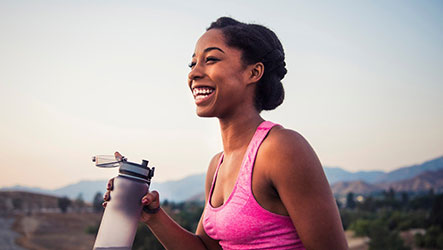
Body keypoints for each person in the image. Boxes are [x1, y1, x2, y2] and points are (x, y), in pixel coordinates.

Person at [104, 17, 348, 250]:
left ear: (253, 73)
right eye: (193, 63)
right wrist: (153, 214)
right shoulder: (217, 166)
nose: (193, 73)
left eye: (210, 60)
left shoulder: (281, 149)